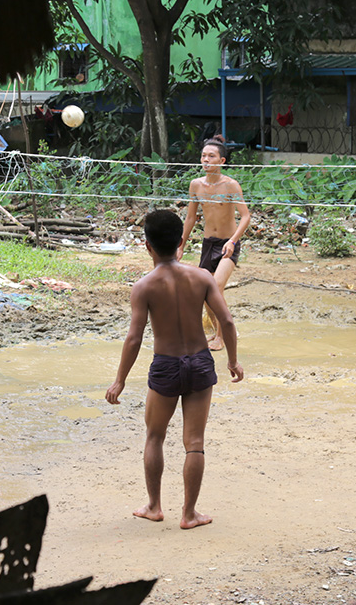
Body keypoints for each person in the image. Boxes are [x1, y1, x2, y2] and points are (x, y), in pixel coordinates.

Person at [106, 209, 244, 530]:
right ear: (181, 240)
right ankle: (189, 513)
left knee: (154, 436)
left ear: (147, 246)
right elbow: (226, 320)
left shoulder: (144, 286)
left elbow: (134, 337)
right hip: (199, 361)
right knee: (194, 442)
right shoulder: (202, 277)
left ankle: (154, 506)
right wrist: (233, 360)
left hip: (166, 365)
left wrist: (120, 380)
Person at [178, 136, 251, 351]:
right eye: (203, 156)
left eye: (211, 156)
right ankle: (222, 328)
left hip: (229, 244)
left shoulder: (230, 185)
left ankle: (221, 337)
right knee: (203, 290)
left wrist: (232, 240)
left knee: (216, 287)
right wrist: (181, 245)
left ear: (222, 161)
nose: (206, 160)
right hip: (208, 243)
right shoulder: (196, 185)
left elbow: (245, 216)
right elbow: (191, 218)